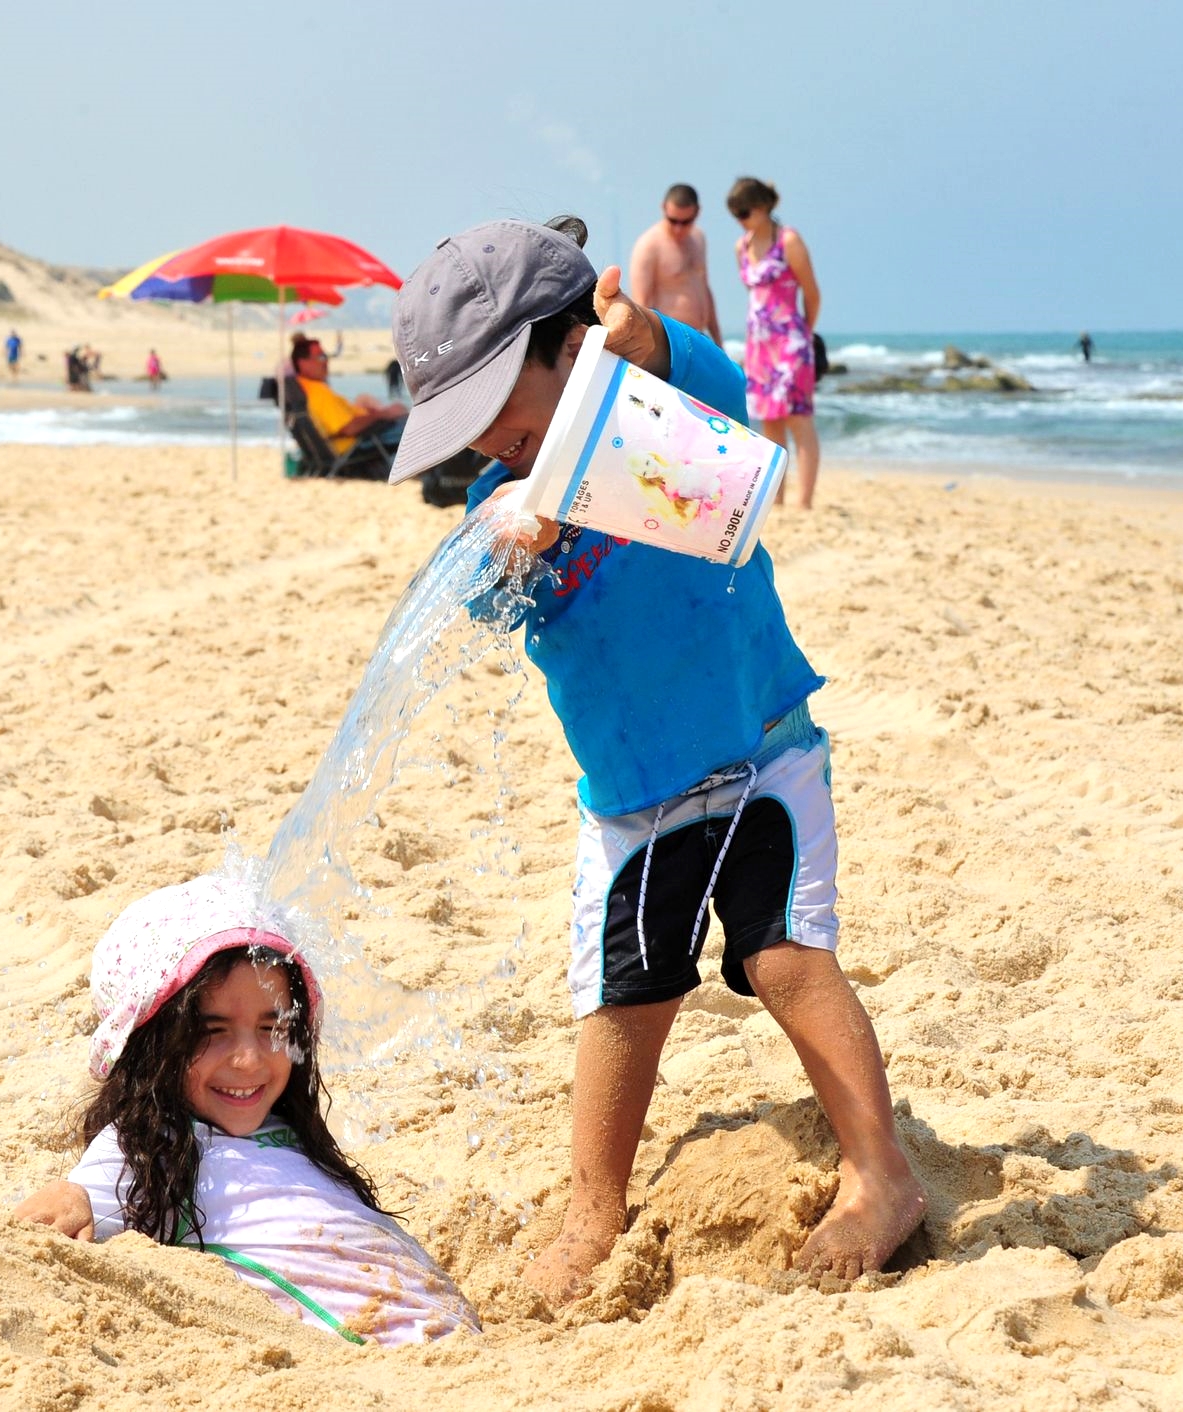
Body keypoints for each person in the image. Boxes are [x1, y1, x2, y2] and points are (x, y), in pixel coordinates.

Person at [383, 217, 926, 1304]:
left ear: (573, 349)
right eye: (466, 429)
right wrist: (512, 542)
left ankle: (882, 1173)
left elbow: (712, 379)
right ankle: (594, 1205)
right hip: (634, 796)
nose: (490, 443)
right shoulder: (503, 497)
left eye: (501, 413)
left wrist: (640, 340)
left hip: (762, 744)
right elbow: (482, 603)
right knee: (626, 995)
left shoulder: (663, 419)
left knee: (785, 955)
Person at [11, 874, 478, 1346]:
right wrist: (68, 1194)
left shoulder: (293, 1134)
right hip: (372, 1361)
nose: (250, 1059)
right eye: (212, 1031)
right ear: (150, 1045)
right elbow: (65, 1216)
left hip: (462, 1349)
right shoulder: (149, 1147)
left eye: (270, 1027)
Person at [729, 177, 823, 509]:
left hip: (791, 342)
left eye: (745, 211)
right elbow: (756, 297)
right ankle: (778, 501)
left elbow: (812, 293)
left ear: (764, 206)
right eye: (735, 214)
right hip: (759, 347)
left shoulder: (789, 241)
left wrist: (803, 337)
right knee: (770, 422)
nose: (740, 219)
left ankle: (805, 503)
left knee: (798, 418)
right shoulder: (742, 246)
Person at [629, 183, 721, 345]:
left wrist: (718, 341)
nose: (678, 229)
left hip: (700, 337)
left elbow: (704, 290)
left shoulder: (698, 238)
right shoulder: (649, 245)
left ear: (697, 212)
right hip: (670, 342)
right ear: (664, 208)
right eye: (673, 221)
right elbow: (641, 305)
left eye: (686, 222)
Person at [291, 333, 406, 457]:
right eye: (321, 357)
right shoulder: (317, 394)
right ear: (303, 363)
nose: (326, 362)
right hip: (358, 443)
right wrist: (383, 415)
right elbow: (349, 428)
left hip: (355, 439)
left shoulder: (304, 389)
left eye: (326, 357)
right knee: (413, 427)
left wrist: (369, 414)